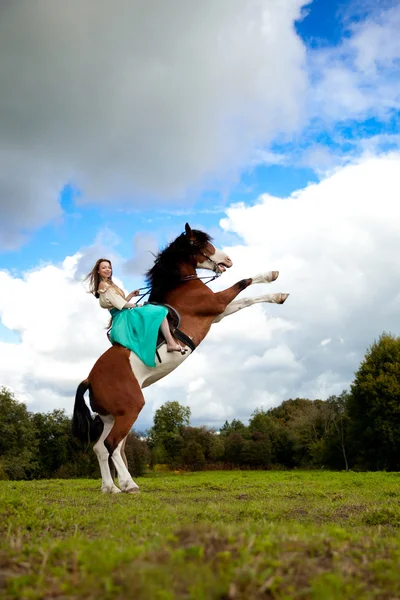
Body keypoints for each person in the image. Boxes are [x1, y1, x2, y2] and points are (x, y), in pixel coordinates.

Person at [85, 258, 181, 368]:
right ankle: (171, 343)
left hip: (122, 315)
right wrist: (138, 305)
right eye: (104, 267)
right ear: (98, 271)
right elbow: (121, 305)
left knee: (155, 311)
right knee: (159, 311)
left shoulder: (109, 284)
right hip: (123, 316)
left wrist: (130, 295)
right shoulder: (104, 285)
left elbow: (119, 303)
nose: (107, 269)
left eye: (109, 267)